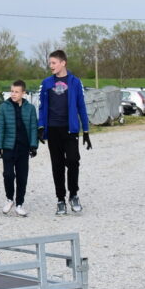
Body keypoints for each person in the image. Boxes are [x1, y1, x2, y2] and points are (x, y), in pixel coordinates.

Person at [38, 50, 91, 216]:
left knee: (73, 161)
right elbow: (42, 107)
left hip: (70, 129)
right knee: (57, 165)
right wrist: (41, 127)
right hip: (53, 130)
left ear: (63, 63)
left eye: (53, 63)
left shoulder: (75, 82)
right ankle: (60, 199)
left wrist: (86, 130)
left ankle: (73, 195)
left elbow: (81, 106)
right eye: (50, 63)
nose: (51, 66)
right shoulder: (46, 83)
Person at [0, 80, 39, 217]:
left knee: (22, 176)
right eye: (12, 91)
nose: (13, 94)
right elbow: (0, 128)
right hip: (8, 147)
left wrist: (33, 145)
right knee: (8, 174)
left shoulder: (30, 108)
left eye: (16, 92)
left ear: (23, 93)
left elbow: (33, 128)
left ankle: (19, 204)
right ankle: (9, 199)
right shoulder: (4, 107)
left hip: (23, 147)